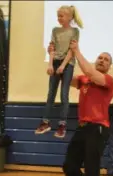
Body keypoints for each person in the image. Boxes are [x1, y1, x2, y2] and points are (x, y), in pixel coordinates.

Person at [49, 40, 113, 176]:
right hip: (83, 128)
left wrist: (76, 50)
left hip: (98, 128)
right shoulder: (84, 80)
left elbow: (89, 72)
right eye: (100, 58)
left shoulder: (108, 81)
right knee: (69, 166)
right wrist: (55, 57)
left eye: (106, 60)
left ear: (109, 66)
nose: (102, 61)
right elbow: (63, 77)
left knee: (92, 171)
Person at [35, 5, 83, 138]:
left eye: (61, 16)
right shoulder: (55, 30)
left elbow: (71, 51)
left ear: (69, 17)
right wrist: (50, 64)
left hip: (67, 64)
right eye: (58, 16)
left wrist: (62, 66)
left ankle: (62, 124)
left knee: (64, 94)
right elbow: (52, 48)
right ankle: (45, 122)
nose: (59, 18)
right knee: (51, 93)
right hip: (55, 62)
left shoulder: (75, 31)